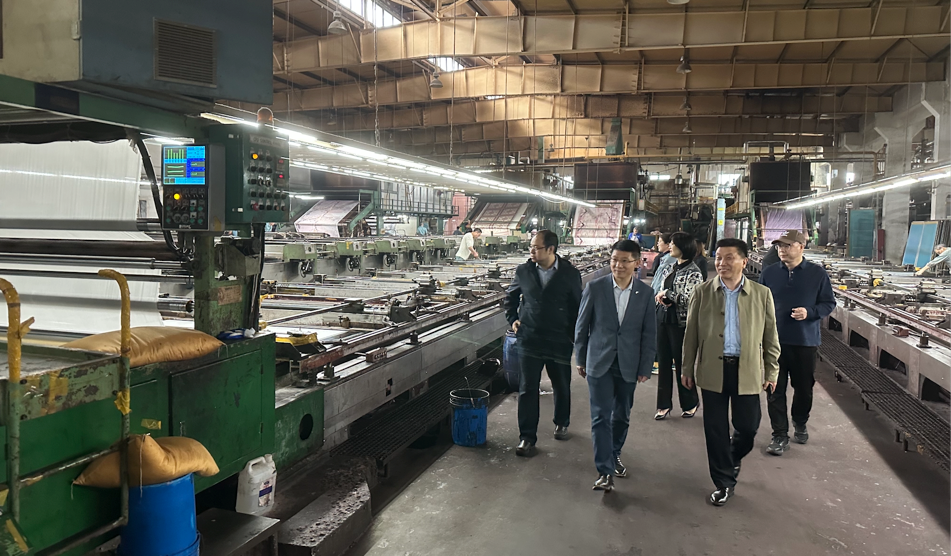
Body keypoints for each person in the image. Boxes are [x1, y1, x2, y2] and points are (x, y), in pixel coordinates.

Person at [682, 238, 780, 507]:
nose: (721, 263)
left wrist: (771, 370)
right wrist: (687, 367)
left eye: (729, 257)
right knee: (715, 428)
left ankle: (733, 456)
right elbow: (691, 335)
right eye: (718, 257)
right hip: (712, 368)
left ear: (744, 261)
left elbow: (771, 336)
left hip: (747, 369)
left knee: (748, 426)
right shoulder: (702, 292)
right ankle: (724, 482)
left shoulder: (761, 294)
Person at [574, 240, 656, 492]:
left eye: (624, 261)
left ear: (636, 263)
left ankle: (614, 453)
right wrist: (580, 358)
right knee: (600, 416)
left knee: (621, 415)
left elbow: (649, 334)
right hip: (599, 362)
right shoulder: (595, 288)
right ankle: (604, 470)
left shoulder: (645, 294)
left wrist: (645, 366)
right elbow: (582, 326)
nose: (618, 265)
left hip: (629, 363)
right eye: (614, 260)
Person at [505, 230, 583, 457]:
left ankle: (561, 422)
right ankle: (527, 437)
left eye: (536, 247)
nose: (531, 251)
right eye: (531, 247)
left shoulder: (569, 273)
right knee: (528, 388)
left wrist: (574, 336)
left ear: (551, 249)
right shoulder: (524, 271)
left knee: (561, 383)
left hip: (559, 340)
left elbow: (577, 306)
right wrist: (513, 319)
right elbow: (510, 297)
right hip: (530, 338)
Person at [760, 230, 836, 454]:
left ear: (801, 247)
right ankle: (779, 434)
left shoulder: (817, 274)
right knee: (774, 388)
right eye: (779, 246)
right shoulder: (770, 272)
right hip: (775, 342)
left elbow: (828, 303)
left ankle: (800, 421)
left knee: (804, 388)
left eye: (787, 245)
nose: (782, 250)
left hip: (804, 341)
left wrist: (809, 312)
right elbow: (759, 303)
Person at [653, 232, 703, 420]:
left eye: (673, 244)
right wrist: (661, 297)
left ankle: (690, 402)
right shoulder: (670, 267)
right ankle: (663, 405)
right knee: (663, 362)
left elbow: (692, 299)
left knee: (683, 364)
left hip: (680, 324)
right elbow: (660, 288)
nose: (670, 246)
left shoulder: (694, 272)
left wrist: (668, 294)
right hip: (663, 319)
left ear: (684, 247)